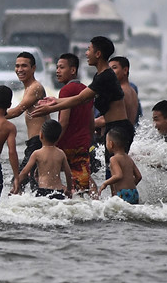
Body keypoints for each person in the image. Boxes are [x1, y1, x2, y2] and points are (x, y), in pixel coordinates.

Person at [31, 37, 134, 177]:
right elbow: (81, 97)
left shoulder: (105, 77)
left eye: (89, 49)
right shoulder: (100, 76)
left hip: (118, 129)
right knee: (112, 175)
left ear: (98, 54)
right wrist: (55, 101)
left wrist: (51, 108)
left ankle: (124, 198)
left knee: (116, 176)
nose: (86, 53)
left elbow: (80, 99)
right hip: (112, 128)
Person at [6, 51, 48, 191]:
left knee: (18, 182)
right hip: (36, 142)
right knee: (34, 184)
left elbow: (17, 111)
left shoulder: (35, 87)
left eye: (24, 66)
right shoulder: (29, 87)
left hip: (38, 142)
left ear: (33, 68)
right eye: (17, 66)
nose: (19, 69)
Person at [53, 53, 94, 194]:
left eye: (62, 67)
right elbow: (91, 122)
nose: (57, 71)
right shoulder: (87, 90)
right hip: (82, 145)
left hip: (66, 145)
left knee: (46, 179)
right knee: (81, 188)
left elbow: (63, 122)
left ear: (73, 70)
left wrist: (52, 144)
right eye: (57, 67)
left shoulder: (66, 90)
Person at [17, 119, 73, 199]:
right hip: (58, 191)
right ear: (58, 138)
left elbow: (24, 172)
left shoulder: (37, 153)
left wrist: (16, 185)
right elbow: (68, 174)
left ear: (41, 135)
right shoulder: (61, 153)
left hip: (43, 191)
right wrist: (69, 190)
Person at [98, 127, 142, 204]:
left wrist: (105, 183)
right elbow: (139, 176)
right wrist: (129, 188)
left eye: (106, 142)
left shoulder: (114, 159)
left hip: (123, 193)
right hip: (134, 192)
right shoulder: (129, 158)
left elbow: (118, 175)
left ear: (111, 144)